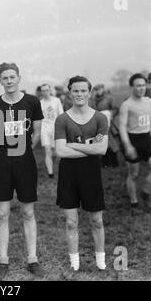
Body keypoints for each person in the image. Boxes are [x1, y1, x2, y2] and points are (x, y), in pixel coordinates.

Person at [0, 62, 44, 280]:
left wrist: (25, 149)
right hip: (2, 162)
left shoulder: (32, 101)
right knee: (2, 214)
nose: (9, 81)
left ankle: (32, 259)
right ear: (0, 80)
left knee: (28, 212)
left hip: (25, 161)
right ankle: (3, 260)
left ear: (19, 78)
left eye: (12, 77)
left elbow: (37, 132)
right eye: (5, 78)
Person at [55, 75, 109, 272]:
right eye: (75, 91)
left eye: (83, 90)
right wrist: (88, 147)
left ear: (89, 92)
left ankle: (100, 260)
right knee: (71, 222)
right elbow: (60, 151)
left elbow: (102, 150)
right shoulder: (62, 119)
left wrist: (73, 144)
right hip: (68, 174)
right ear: (70, 93)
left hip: (91, 173)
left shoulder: (100, 118)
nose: (79, 94)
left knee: (96, 220)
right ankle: (74, 261)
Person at [118, 73, 151, 213]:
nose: (141, 88)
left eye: (143, 85)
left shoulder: (149, 101)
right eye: (138, 86)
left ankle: (145, 191)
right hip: (133, 140)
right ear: (132, 87)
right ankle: (134, 203)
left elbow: (150, 122)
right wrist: (128, 145)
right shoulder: (126, 105)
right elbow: (122, 127)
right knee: (134, 174)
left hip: (146, 140)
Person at [89, 84, 120, 168]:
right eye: (96, 89)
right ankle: (105, 162)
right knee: (102, 141)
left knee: (110, 141)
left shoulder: (109, 98)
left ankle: (114, 162)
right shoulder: (93, 100)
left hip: (108, 122)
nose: (98, 91)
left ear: (103, 89)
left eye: (100, 89)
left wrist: (110, 114)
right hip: (98, 122)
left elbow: (116, 108)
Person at [39, 83, 64, 178]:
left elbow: (61, 114)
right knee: (47, 149)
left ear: (50, 91)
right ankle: (50, 173)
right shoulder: (40, 102)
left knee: (55, 152)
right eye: (43, 91)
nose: (45, 92)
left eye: (46, 90)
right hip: (45, 128)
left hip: (55, 127)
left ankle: (52, 166)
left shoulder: (56, 101)